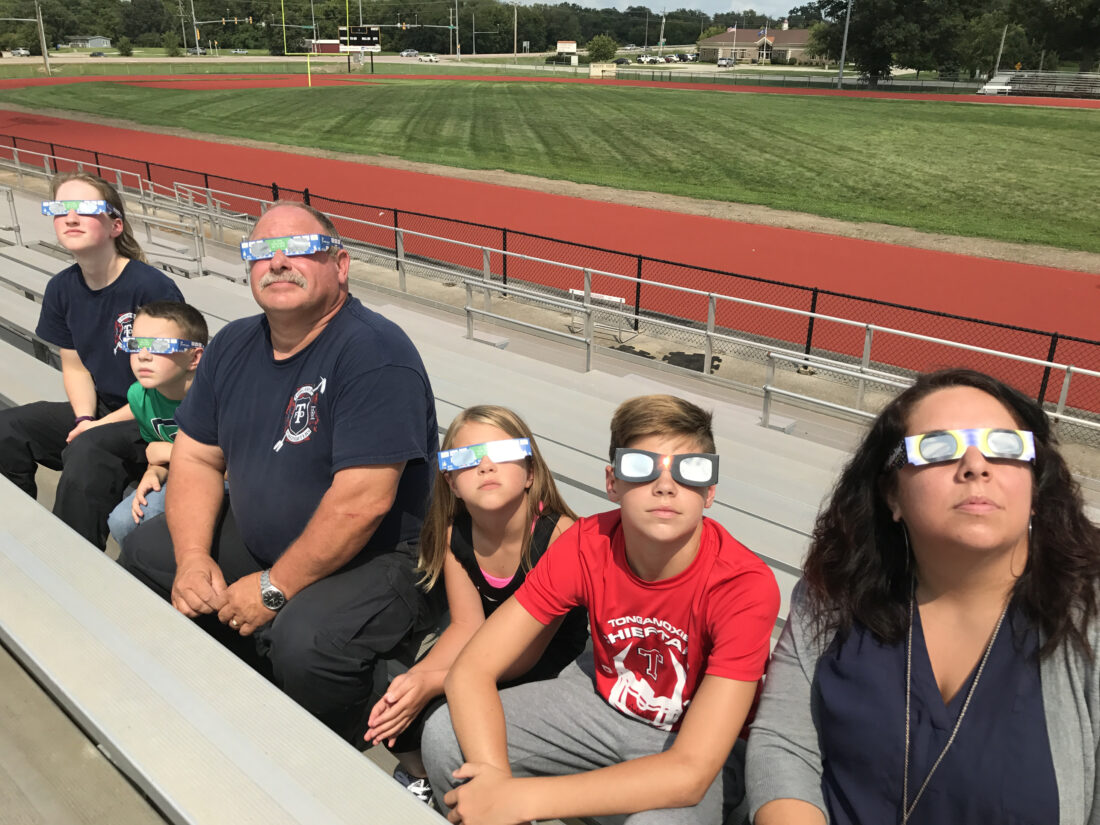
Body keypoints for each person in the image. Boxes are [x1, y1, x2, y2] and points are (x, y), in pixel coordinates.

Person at [118, 201, 439, 742]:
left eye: (300, 250)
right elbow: (197, 456)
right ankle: (227, 695)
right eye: (261, 251)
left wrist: (273, 587)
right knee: (151, 553)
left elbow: (363, 502)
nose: (278, 262)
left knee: (304, 640)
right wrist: (195, 558)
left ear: (340, 265)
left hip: (379, 553)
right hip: (267, 536)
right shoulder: (233, 345)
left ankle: (329, 753)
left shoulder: (374, 353)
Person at [746, 368, 1100, 825]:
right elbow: (786, 744)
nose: (976, 465)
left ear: (1035, 486)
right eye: (938, 448)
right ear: (892, 494)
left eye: (1006, 446)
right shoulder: (834, 592)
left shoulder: (1087, 618)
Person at [423, 394, 781, 824]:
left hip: (695, 747)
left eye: (691, 471)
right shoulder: (586, 542)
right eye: (640, 466)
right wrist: (496, 781)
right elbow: (471, 670)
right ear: (612, 482)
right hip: (599, 706)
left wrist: (522, 798)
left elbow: (690, 773)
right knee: (445, 735)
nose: (665, 486)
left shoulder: (744, 585)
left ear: (710, 492)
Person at [365, 405, 588, 804]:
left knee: (443, 716)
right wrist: (416, 682)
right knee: (398, 706)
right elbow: (465, 626)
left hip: (545, 663)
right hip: (482, 651)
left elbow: (527, 653)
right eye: (465, 459)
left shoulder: (560, 537)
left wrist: (435, 681)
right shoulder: (455, 535)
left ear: (530, 473)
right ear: (450, 482)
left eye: (503, 454)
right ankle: (422, 777)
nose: (486, 466)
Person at [0, 172, 184, 548]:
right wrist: (84, 417)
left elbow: (169, 385)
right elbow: (75, 365)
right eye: (60, 209)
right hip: (101, 408)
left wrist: (93, 428)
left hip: (153, 416)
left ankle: (72, 562)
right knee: (9, 428)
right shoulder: (62, 288)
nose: (70, 218)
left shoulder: (151, 288)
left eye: (85, 209)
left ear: (116, 225)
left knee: (87, 450)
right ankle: (16, 530)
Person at [104, 301, 207, 545]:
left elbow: (236, 469)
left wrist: (172, 452)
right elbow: (158, 451)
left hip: (226, 484)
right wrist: (154, 472)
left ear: (194, 358)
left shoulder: (216, 398)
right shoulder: (139, 396)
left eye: (159, 345)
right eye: (136, 343)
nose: (143, 355)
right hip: (182, 472)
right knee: (121, 521)